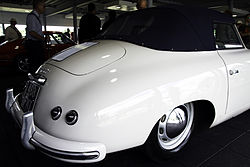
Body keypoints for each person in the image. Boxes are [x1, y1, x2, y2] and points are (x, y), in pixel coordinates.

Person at [25, 0, 45, 73]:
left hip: (36, 43)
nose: (44, 8)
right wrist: (43, 39)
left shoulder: (36, 17)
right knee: (35, 64)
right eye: (43, 6)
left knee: (37, 63)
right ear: (38, 6)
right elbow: (32, 32)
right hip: (34, 44)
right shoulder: (32, 17)